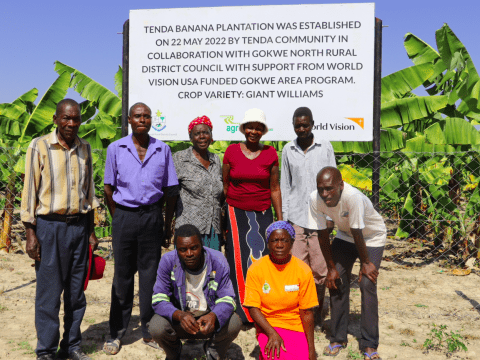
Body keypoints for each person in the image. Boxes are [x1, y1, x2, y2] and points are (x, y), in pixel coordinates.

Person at [21, 99, 100, 360]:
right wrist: (31, 234)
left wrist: (90, 232)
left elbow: (89, 193)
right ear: (55, 119)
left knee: (76, 293)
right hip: (49, 227)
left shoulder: (85, 148)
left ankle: (72, 346)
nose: (71, 123)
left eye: (76, 119)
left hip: (78, 228)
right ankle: (46, 350)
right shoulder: (40, 145)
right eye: (66, 118)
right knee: (49, 293)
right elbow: (29, 192)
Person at [102, 102, 179, 355]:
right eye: (138, 116)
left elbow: (170, 190)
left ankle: (148, 329)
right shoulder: (116, 148)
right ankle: (117, 333)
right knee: (122, 277)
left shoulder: (162, 149)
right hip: (125, 217)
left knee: (150, 276)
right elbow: (108, 188)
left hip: (152, 218)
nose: (142, 120)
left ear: (151, 120)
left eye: (146, 116)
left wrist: (166, 225)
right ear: (129, 119)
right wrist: (119, 219)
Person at [307, 167, 386, 360]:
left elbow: (358, 231)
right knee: (335, 281)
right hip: (345, 236)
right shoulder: (314, 198)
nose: (325, 194)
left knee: (367, 283)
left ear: (341, 185)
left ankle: (369, 343)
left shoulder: (353, 197)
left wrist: (366, 263)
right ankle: (338, 338)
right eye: (321, 189)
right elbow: (322, 233)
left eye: (329, 189)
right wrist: (331, 268)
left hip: (371, 237)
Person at [222, 108, 282, 324]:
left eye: (258, 128)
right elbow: (226, 184)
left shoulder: (271, 154)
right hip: (236, 210)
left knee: (261, 260)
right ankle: (242, 311)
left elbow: (274, 188)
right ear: (244, 129)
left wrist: (279, 219)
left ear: (263, 131)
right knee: (237, 259)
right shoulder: (231, 152)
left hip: (264, 211)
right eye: (250, 127)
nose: (253, 131)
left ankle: (261, 308)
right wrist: (229, 211)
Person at [149, 224, 242, 360]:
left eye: (194, 248)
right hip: (181, 322)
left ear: (201, 245)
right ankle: (174, 353)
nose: (189, 254)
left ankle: (213, 351)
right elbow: (158, 299)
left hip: (208, 322)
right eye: (183, 249)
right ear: (176, 249)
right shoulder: (168, 261)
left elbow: (228, 299)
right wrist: (180, 315)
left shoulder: (218, 260)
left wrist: (214, 315)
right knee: (156, 326)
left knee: (234, 323)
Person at [280, 106, 336, 328]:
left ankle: (318, 312)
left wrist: (331, 214)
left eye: (305, 124)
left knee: (321, 269)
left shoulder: (325, 147)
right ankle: (298, 313)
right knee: (298, 267)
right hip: (296, 217)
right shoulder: (287, 150)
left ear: (312, 124)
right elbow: (285, 184)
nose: (301, 128)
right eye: (297, 125)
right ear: (293, 125)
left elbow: (333, 181)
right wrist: (284, 217)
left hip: (320, 217)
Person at [244, 221, 318, 360]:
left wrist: (311, 350)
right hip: (268, 324)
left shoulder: (303, 270)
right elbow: (253, 307)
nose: (279, 245)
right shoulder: (256, 269)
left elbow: (307, 312)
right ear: (268, 243)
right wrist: (272, 333)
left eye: (284, 240)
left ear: (292, 242)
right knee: (276, 355)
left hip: (295, 326)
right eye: (275, 240)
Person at [168, 116, 223, 250]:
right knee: (187, 269)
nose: (202, 136)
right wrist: (168, 225)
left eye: (205, 132)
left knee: (211, 268)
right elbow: (171, 195)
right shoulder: (180, 159)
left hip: (213, 230)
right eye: (197, 133)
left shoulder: (216, 160)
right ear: (191, 138)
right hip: (188, 231)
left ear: (211, 136)